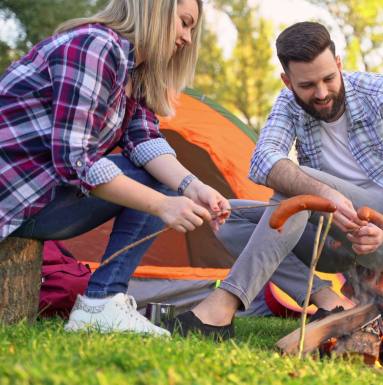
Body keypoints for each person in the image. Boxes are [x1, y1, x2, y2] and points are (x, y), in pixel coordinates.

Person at [171, 21, 383, 339]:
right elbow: (263, 161)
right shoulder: (288, 104)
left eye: (329, 79)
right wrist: (326, 196)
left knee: (293, 183)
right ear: (287, 81)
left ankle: (222, 307)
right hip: (335, 234)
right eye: (307, 85)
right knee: (224, 216)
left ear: (338, 64)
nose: (321, 93)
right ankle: (328, 300)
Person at [0, 0, 231, 336]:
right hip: (14, 200)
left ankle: (103, 302)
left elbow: (145, 142)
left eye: (191, 28)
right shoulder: (95, 45)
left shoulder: (133, 70)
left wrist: (194, 187)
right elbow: (75, 162)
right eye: (183, 23)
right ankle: (101, 302)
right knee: (154, 187)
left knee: (160, 178)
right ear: (154, 11)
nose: (187, 38)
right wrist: (163, 205)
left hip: (40, 197)